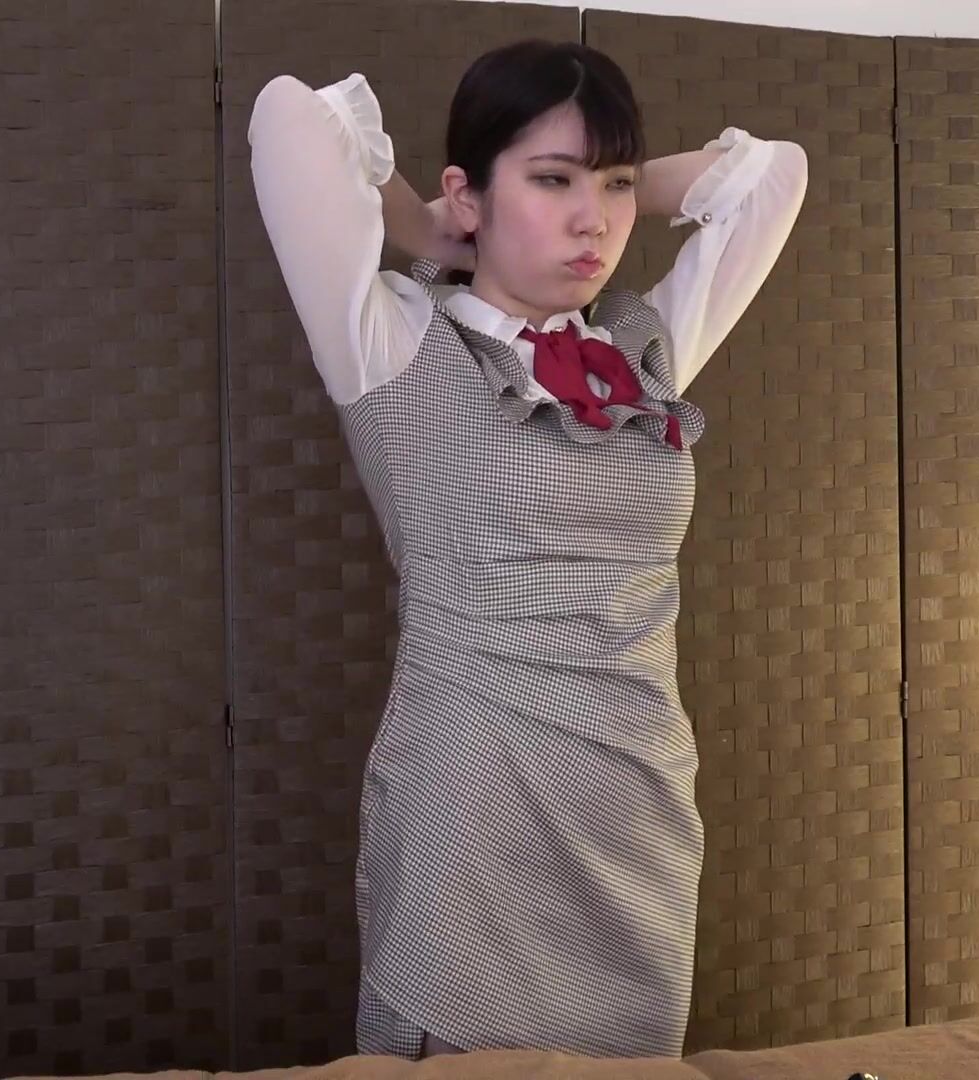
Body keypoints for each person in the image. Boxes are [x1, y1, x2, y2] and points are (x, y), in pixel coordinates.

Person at [246, 39, 807, 1060]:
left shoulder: (640, 349)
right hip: (472, 804)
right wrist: (432, 226)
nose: (595, 220)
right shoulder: (394, 342)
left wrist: (584, 178)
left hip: (637, 808)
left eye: (616, 185)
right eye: (552, 181)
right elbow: (292, 116)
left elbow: (773, 176)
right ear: (471, 190)